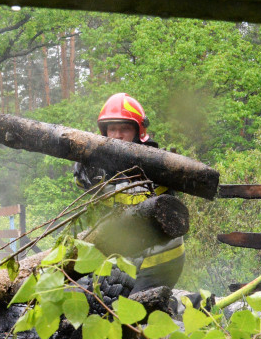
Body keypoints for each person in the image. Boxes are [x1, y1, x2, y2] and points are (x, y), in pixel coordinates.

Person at [73, 93, 185, 293]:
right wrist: (83, 166)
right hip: (127, 256)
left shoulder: (156, 164)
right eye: (112, 129)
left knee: (140, 306)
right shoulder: (101, 167)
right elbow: (83, 183)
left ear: (138, 131)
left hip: (161, 257)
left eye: (124, 128)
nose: (117, 135)